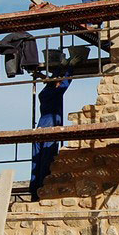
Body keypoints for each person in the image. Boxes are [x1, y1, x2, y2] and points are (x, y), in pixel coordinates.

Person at [29, 68, 71, 201]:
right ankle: (43, 189)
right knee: (46, 160)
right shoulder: (55, 92)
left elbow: (55, 83)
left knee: (36, 160)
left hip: (40, 127)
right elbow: (66, 83)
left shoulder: (44, 93)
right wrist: (69, 69)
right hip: (50, 127)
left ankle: (34, 192)